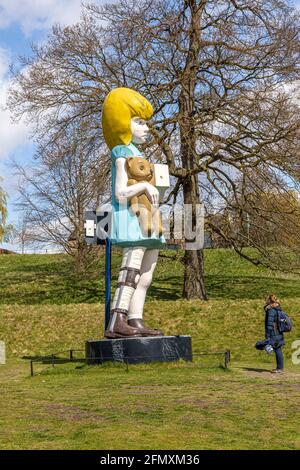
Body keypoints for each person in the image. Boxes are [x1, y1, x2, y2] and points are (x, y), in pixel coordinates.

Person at [101, 87, 166, 338]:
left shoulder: (139, 154)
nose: (146, 128)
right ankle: (117, 319)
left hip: (149, 219)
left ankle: (135, 318)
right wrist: (143, 185)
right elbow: (119, 193)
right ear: (123, 122)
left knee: (146, 275)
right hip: (131, 219)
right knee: (130, 271)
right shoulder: (121, 153)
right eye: (139, 121)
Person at [264, 294, 285, 373]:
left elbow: (269, 324)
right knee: (278, 349)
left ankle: (280, 369)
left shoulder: (271, 310)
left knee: (277, 349)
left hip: (274, 333)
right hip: (279, 332)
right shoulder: (278, 308)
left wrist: (268, 334)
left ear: (270, 300)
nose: (266, 301)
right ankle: (280, 368)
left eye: (267, 299)